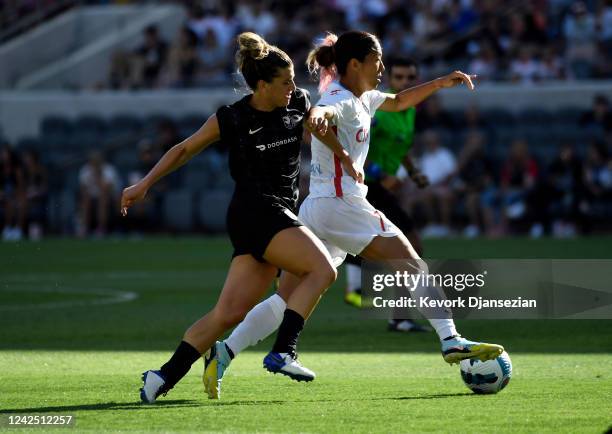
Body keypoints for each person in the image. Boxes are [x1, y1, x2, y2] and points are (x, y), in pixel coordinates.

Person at [204, 30, 504, 400]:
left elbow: (397, 101)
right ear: (355, 64)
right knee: (412, 263)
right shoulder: (339, 98)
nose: (382, 68)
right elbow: (326, 110)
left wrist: (441, 82)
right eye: (377, 60)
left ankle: (225, 351)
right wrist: (319, 117)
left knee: (286, 297)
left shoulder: (365, 98)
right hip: (342, 205)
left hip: (318, 208)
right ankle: (450, 339)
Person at [122, 32, 354, 404]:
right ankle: (284, 351)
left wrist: (342, 155)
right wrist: (144, 183)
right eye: (284, 81)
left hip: (274, 214)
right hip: (256, 211)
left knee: (228, 313)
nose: (293, 86)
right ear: (261, 85)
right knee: (323, 270)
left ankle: (161, 377)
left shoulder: (298, 101)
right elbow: (184, 150)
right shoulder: (232, 117)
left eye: (294, 78)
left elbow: (317, 127)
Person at [343, 56, 431, 333]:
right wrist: (382, 174)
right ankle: (398, 316)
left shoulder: (410, 110)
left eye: (410, 78)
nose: (405, 82)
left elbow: (400, 147)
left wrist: (413, 171)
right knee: (409, 245)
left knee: (398, 246)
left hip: (379, 187)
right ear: (390, 79)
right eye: (400, 78)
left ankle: (286, 271)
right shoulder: (378, 112)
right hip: (366, 185)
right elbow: (355, 145)